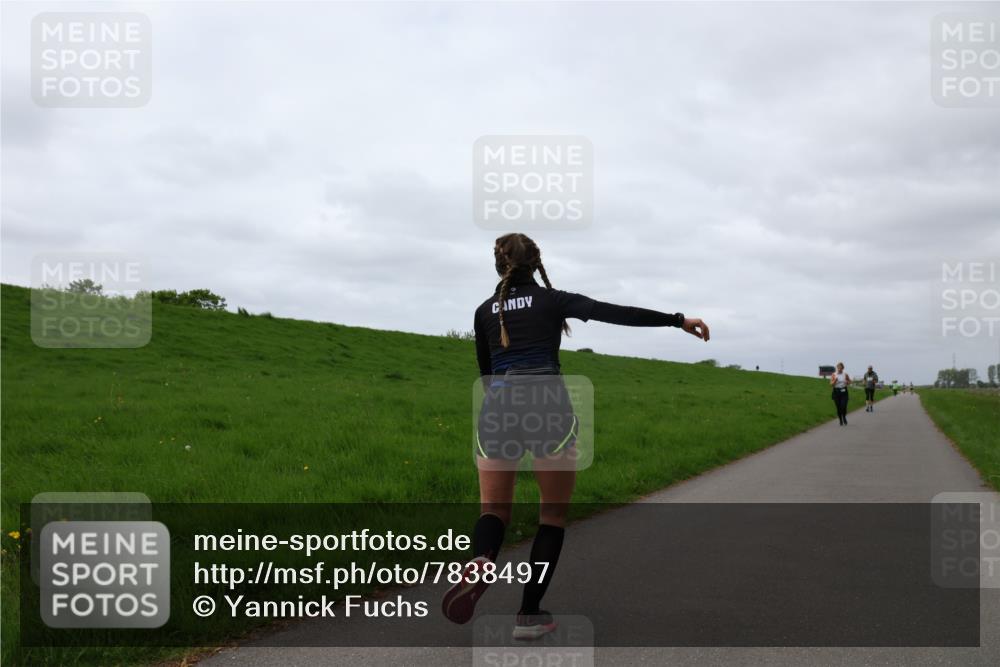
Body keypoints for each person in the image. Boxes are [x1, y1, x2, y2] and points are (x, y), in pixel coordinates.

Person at [441, 233, 710, 639]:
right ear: (536, 263)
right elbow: (616, 312)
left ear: (498, 266)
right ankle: (528, 615)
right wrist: (677, 319)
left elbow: (486, 372)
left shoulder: (483, 311)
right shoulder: (553, 300)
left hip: (497, 407)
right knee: (551, 516)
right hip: (548, 403)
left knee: (493, 512)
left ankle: (483, 558)